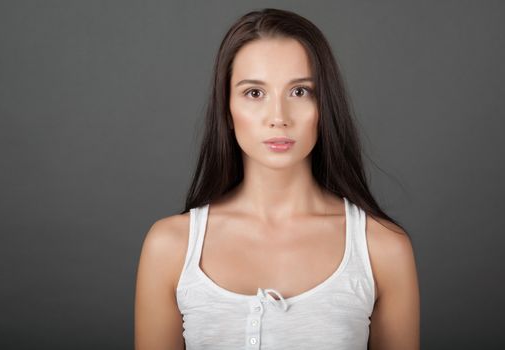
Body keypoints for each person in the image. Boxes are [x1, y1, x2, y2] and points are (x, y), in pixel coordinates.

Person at [134, 7, 420, 350]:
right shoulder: (169, 248)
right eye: (254, 93)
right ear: (226, 108)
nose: (278, 117)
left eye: (299, 92)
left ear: (324, 105)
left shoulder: (383, 249)